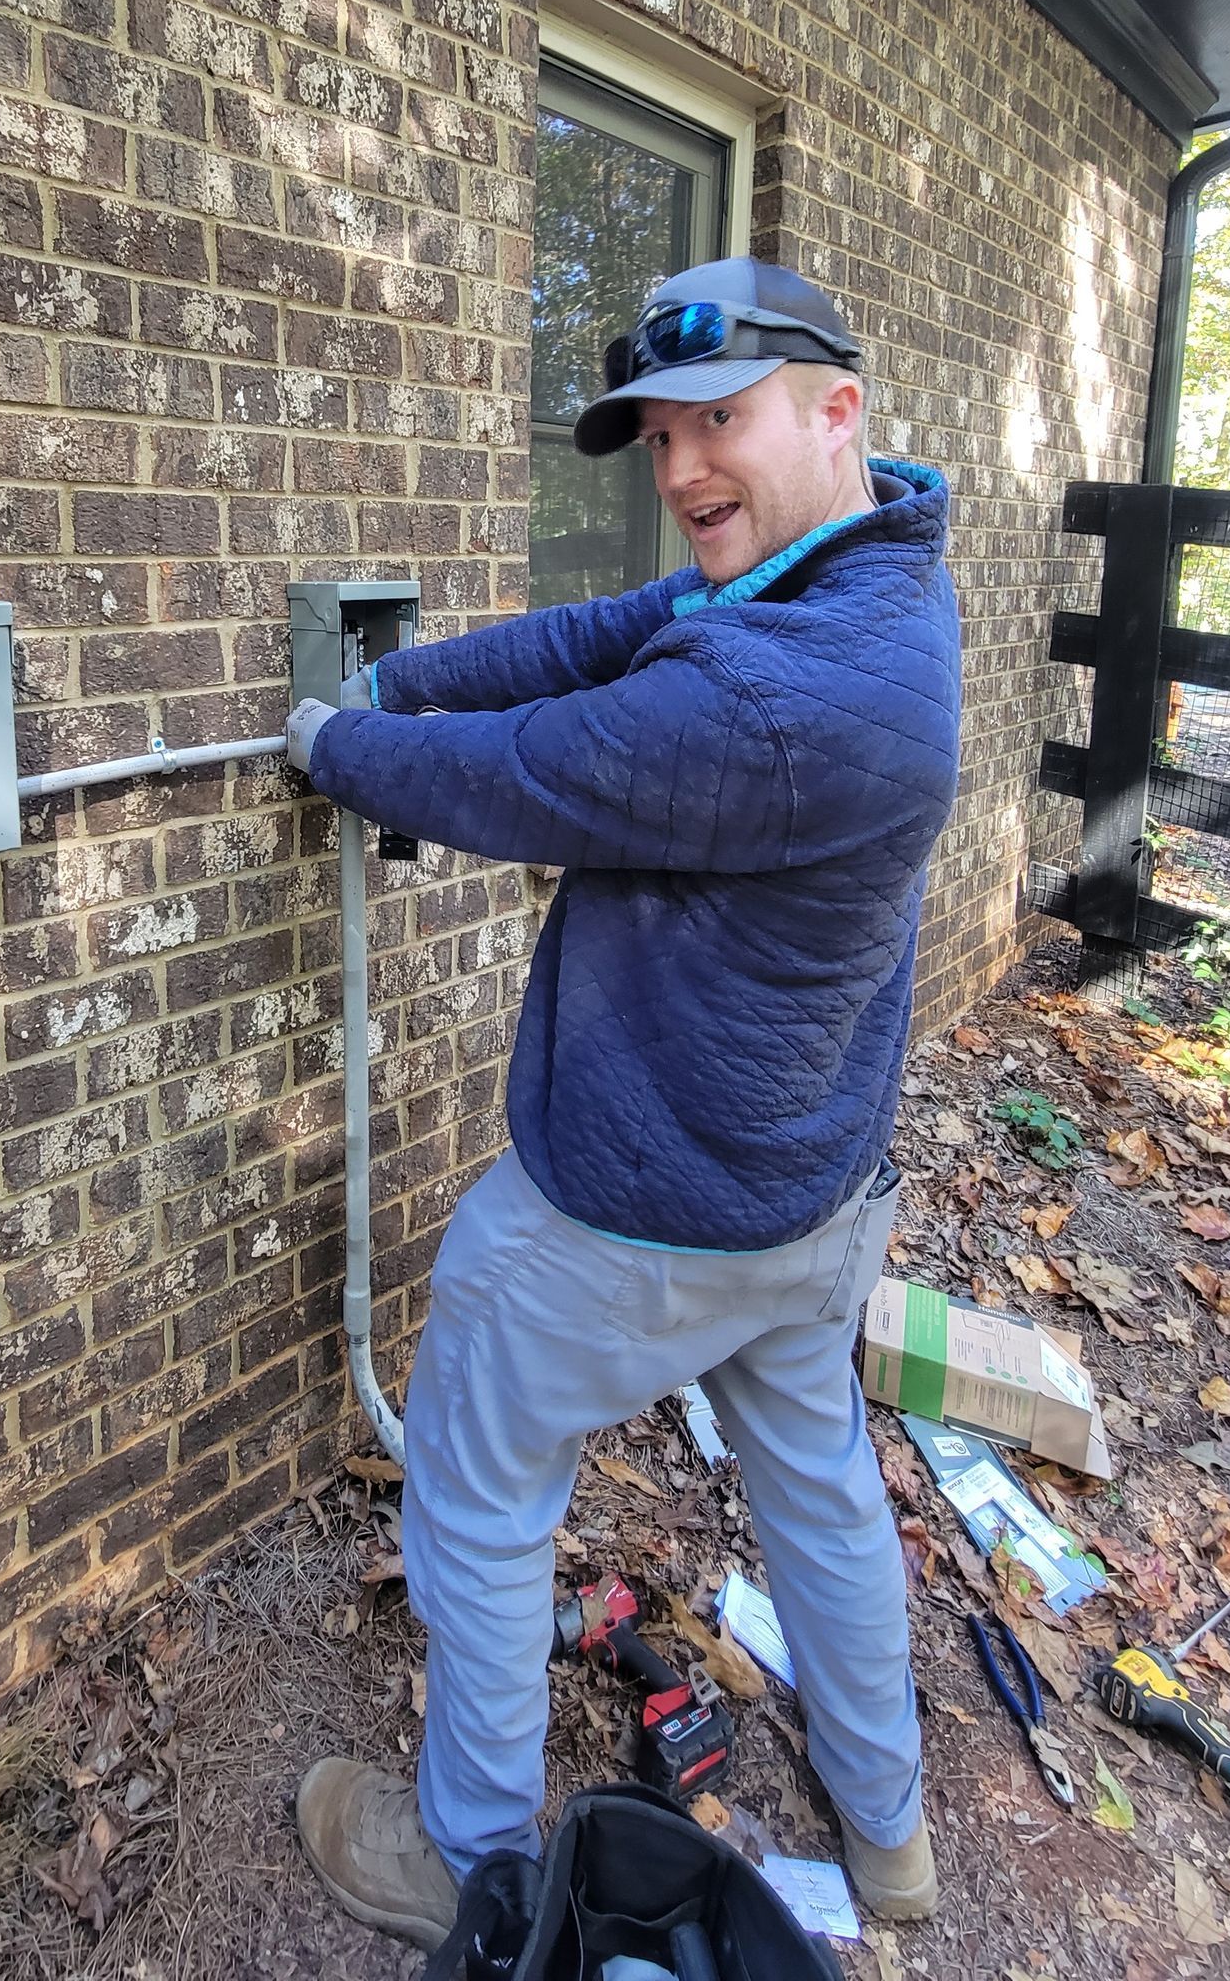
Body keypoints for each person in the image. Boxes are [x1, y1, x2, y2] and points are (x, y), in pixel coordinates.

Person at [282, 257, 962, 1948]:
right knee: (819, 1487)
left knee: (476, 1485)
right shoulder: (865, 575)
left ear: (837, 408)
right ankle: (889, 1835)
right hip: (810, 1193)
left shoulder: (779, 695)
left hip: (640, 1212)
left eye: (718, 421)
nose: (681, 470)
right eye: (660, 437)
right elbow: (595, 638)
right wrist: (402, 680)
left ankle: (465, 1860)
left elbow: (536, 774)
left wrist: (332, 741)